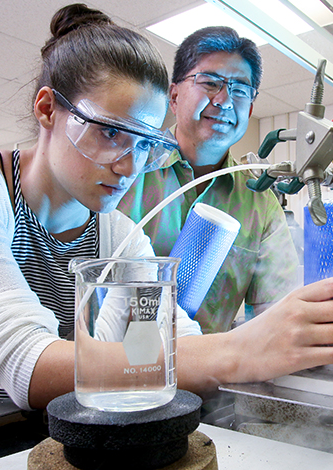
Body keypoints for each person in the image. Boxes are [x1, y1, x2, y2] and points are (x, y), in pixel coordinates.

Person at [0, 4, 333, 430]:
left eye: (146, 144)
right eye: (109, 132)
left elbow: (164, 346)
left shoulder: (119, 234)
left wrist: (296, 336)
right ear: (48, 109)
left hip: (11, 438)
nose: (128, 165)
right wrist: (240, 350)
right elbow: (24, 362)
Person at [117, 27, 294, 334]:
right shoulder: (125, 168)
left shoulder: (259, 200)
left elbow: (276, 309)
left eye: (240, 90)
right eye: (210, 83)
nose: (225, 100)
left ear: (250, 108)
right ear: (173, 96)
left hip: (208, 373)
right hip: (110, 364)